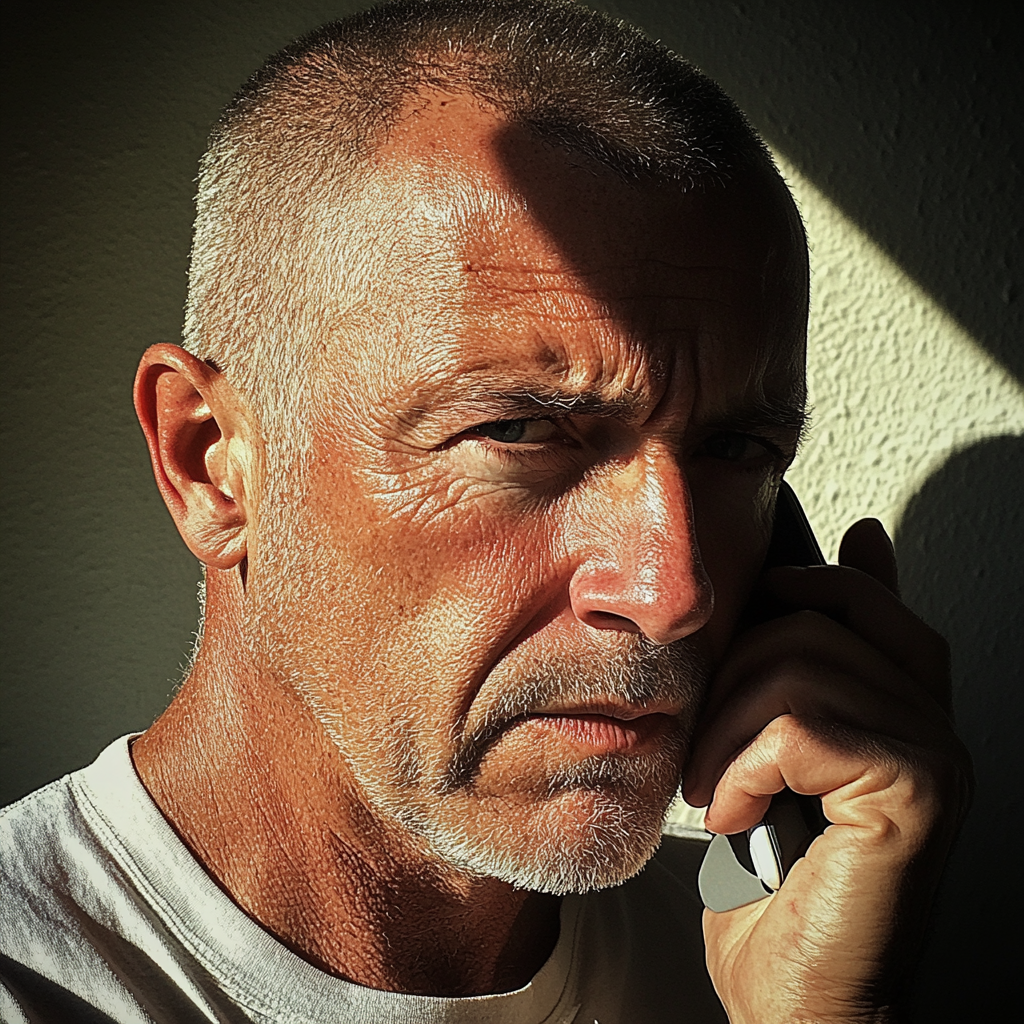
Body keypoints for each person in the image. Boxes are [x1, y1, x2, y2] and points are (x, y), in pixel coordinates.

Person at [0, 2, 971, 1021]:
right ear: (211, 461)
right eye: (518, 431)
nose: (672, 591)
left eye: (737, 449)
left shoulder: (772, 966)